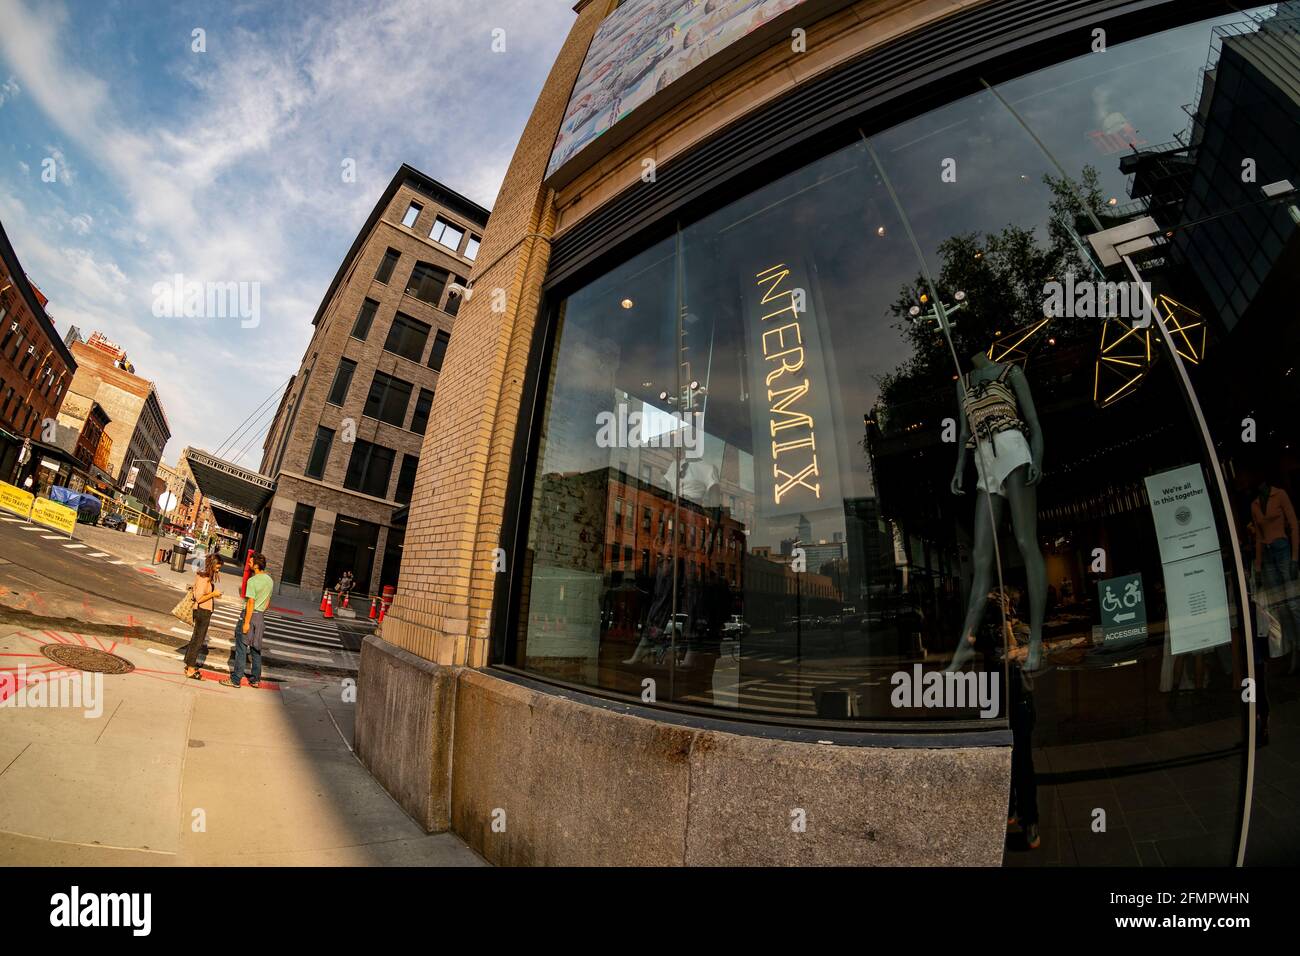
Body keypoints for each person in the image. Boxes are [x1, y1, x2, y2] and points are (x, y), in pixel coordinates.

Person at [222, 552, 272, 689]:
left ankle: (236, 679)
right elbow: (268, 602)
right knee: (256, 649)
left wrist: (246, 623)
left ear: (256, 565)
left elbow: (250, 602)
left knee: (241, 648)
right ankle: (255, 679)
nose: (248, 564)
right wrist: (259, 614)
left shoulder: (252, 581)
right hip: (260, 616)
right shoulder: (269, 580)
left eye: (250, 562)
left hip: (249, 616)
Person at [182, 553, 223, 679]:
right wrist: (213, 594)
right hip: (202, 611)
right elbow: (199, 598)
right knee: (198, 640)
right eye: (217, 567)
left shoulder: (205, 576)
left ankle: (188, 663)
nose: (218, 569)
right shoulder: (204, 578)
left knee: (196, 638)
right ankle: (190, 669)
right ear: (212, 564)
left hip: (203, 611)